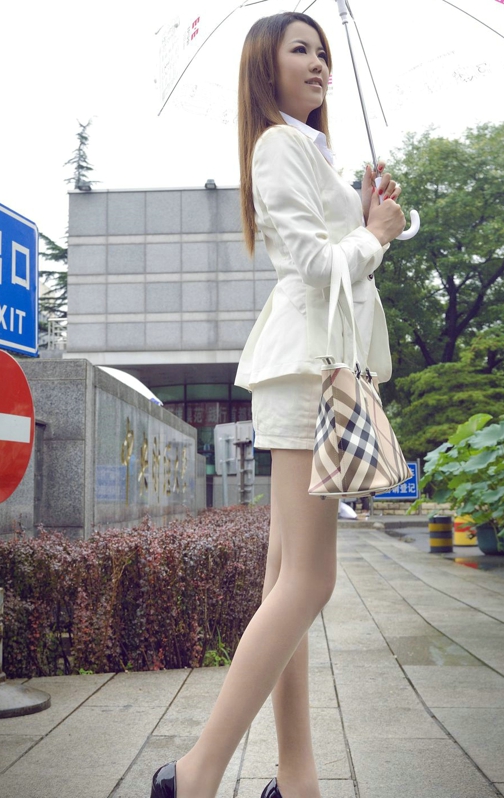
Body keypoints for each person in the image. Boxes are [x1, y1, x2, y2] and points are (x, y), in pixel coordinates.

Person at [150, 12, 405, 798]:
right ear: (267, 66)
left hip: (315, 362)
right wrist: (374, 235)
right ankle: (196, 774)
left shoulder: (309, 148)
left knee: (286, 579)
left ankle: (296, 778)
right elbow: (316, 265)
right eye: (302, 50)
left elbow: (334, 248)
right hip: (306, 369)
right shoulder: (276, 145)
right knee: (312, 580)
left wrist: (367, 210)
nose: (320, 62)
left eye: (323, 51)